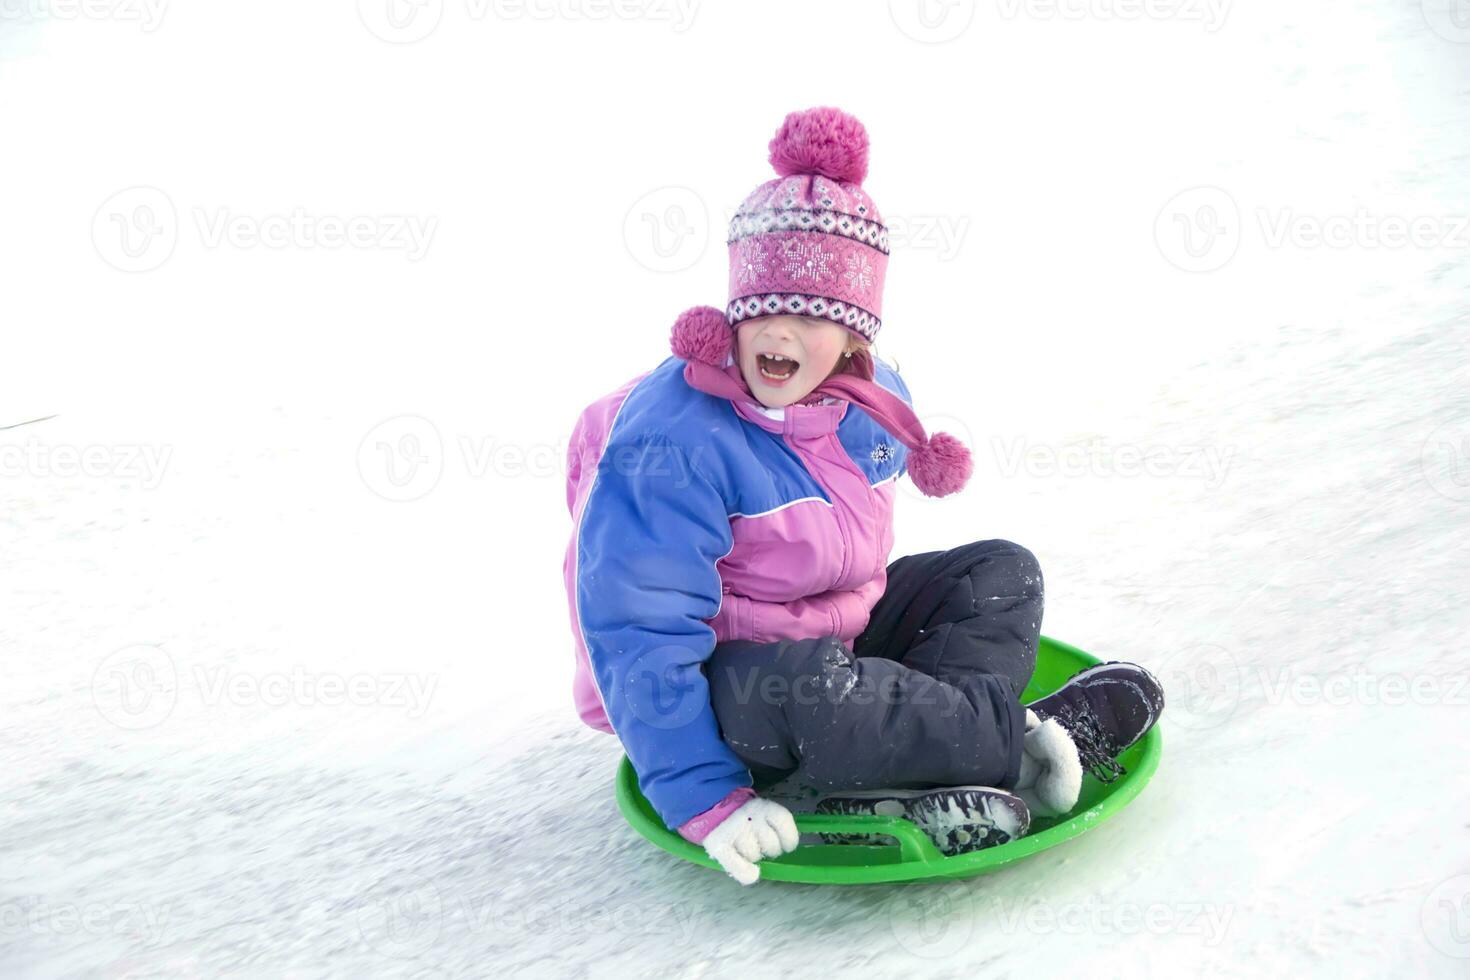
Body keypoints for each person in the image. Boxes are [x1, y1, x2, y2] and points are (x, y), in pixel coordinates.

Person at [564, 107, 1163, 885]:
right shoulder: (676, 440)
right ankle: (1020, 743)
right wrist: (702, 793)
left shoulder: (865, 406)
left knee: (995, 573)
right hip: (722, 697)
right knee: (810, 686)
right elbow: (636, 628)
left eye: (814, 315)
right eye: (765, 307)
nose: (781, 334)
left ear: (854, 335)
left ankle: (930, 760)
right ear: (737, 306)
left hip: (836, 650)